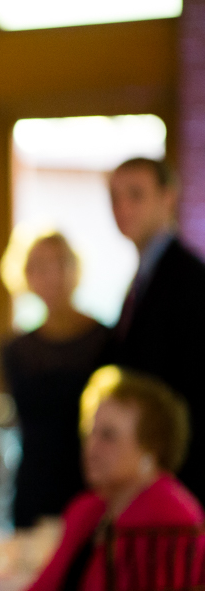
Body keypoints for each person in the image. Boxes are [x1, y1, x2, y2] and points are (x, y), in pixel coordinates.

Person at [0, 366, 203, 591]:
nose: (91, 447)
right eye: (90, 433)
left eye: (108, 436)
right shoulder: (89, 509)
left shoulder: (174, 516)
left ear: (151, 450)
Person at [108, 157, 205, 504]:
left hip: (179, 476)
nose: (123, 208)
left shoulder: (190, 280)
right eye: (115, 197)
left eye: (135, 195)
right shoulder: (143, 277)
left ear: (168, 197)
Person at [1, 232, 111, 527]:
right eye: (40, 266)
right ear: (26, 276)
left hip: (90, 481)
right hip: (34, 484)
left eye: (61, 264)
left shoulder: (105, 341)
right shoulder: (15, 350)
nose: (53, 275)